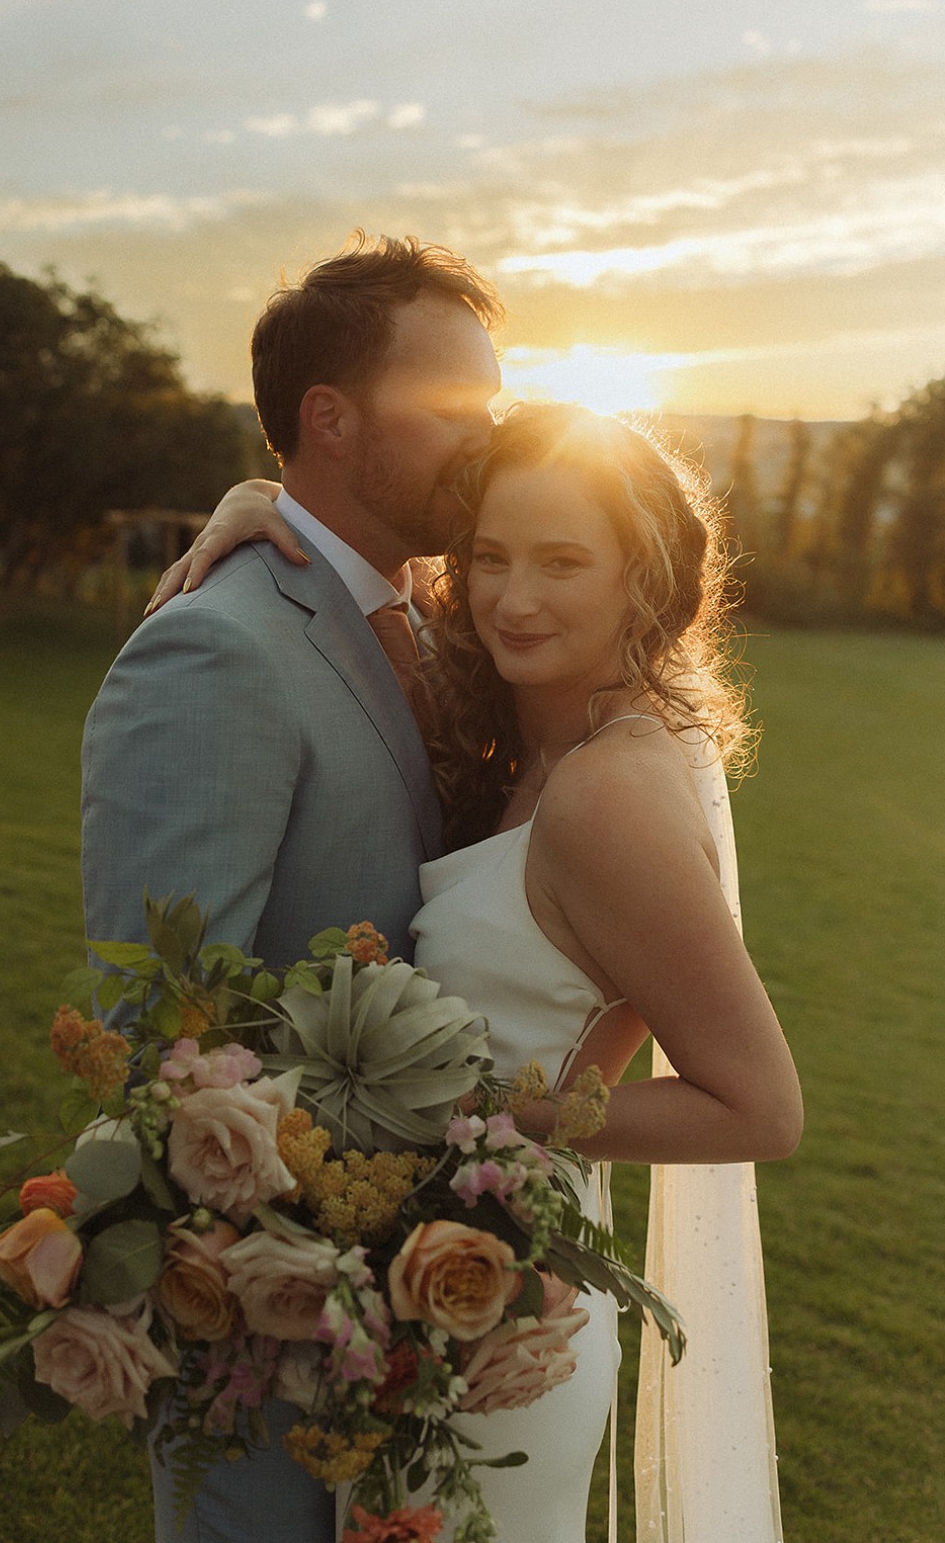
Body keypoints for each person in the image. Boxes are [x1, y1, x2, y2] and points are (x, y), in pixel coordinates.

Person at [159, 404, 803, 1543]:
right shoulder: (526, 736)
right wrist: (255, 507)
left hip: (505, 1305)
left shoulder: (610, 796)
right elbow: (358, 585)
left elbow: (760, 1103)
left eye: (563, 562)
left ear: (644, 581)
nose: (514, 598)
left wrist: (490, 1123)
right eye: (492, 558)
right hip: (433, 1293)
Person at [80, 233, 503, 1543]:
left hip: (435, 1290)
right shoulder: (217, 645)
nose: (485, 444)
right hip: (276, 1313)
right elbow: (167, 1032)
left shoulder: (438, 612)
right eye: (454, 413)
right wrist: (320, 1264)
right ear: (330, 418)